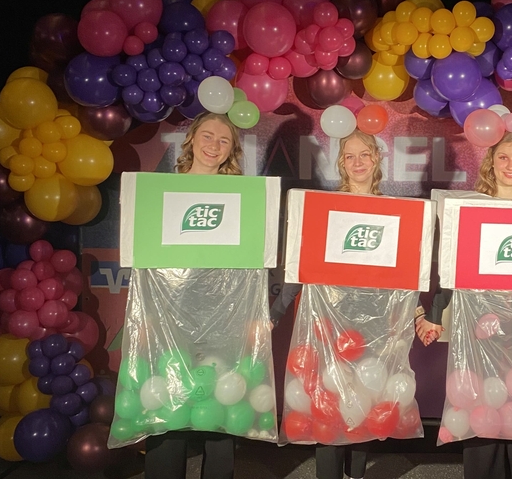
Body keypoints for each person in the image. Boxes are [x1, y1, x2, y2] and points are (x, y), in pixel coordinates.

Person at [417, 130, 512, 479]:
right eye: (503, 157)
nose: (511, 165)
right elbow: (450, 267)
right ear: (491, 162)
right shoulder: (470, 208)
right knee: (480, 400)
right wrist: (435, 313)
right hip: (479, 322)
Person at [271, 130, 382, 479]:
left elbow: (407, 275)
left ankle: (357, 473)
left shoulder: (393, 211)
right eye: (350, 156)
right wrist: (276, 311)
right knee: (327, 399)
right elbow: (300, 265)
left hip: (372, 321)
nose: (358, 162)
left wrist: (418, 313)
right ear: (341, 164)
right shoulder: (325, 208)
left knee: (364, 397)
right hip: (327, 320)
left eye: (364, 154)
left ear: (376, 159)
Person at [142, 112, 244, 479]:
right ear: (191, 140)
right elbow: (146, 262)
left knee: (220, 408)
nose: (214, 145)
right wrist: (147, 312)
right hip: (172, 316)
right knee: (169, 402)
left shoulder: (241, 197)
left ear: (231, 150)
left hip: (223, 318)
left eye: (224, 140)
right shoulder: (163, 191)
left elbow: (251, 266)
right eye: (208, 136)